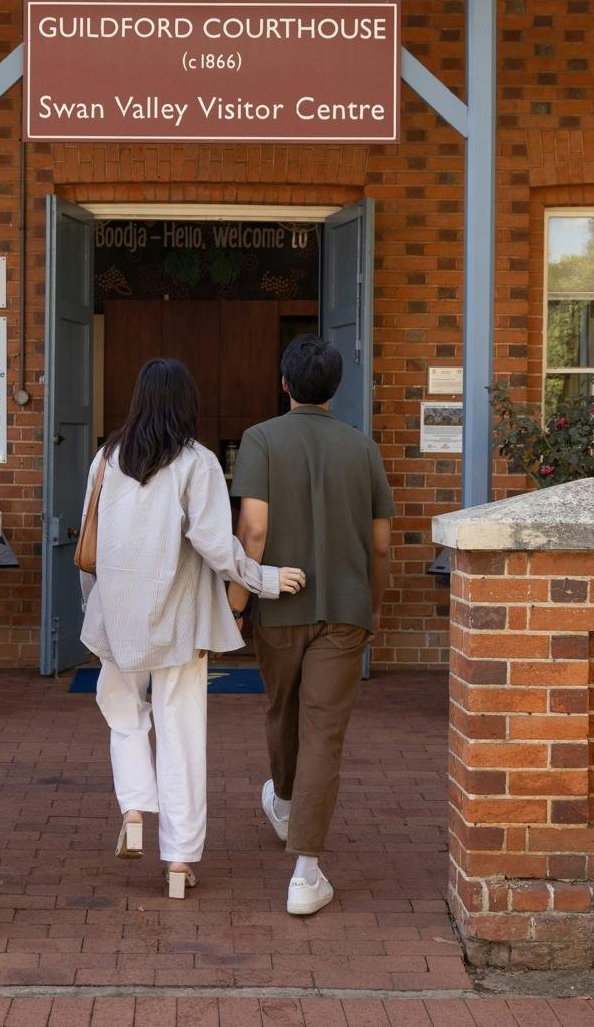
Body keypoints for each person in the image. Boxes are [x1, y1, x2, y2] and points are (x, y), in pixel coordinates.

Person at [79, 357, 306, 900]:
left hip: (117, 612)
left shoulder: (106, 458)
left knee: (123, 714)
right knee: (180, 734)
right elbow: (214, 543)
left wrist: (94, 603)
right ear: (186, 403)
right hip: (178, 617)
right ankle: (179, 862)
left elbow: (93, 539)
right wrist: (264, 580)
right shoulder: (196, 462)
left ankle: (134, 806)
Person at [230, 334, 394, 917]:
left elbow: (252, 532)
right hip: (346, 607)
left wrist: (238, 601)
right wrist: (372, 606)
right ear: (334, 389)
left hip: (281, 602)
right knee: (323, 731)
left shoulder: (260, 440)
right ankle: (305, 872)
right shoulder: (362, 447)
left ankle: (285, 803)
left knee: (282, 710)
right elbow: (380, 546)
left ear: (285, 384)